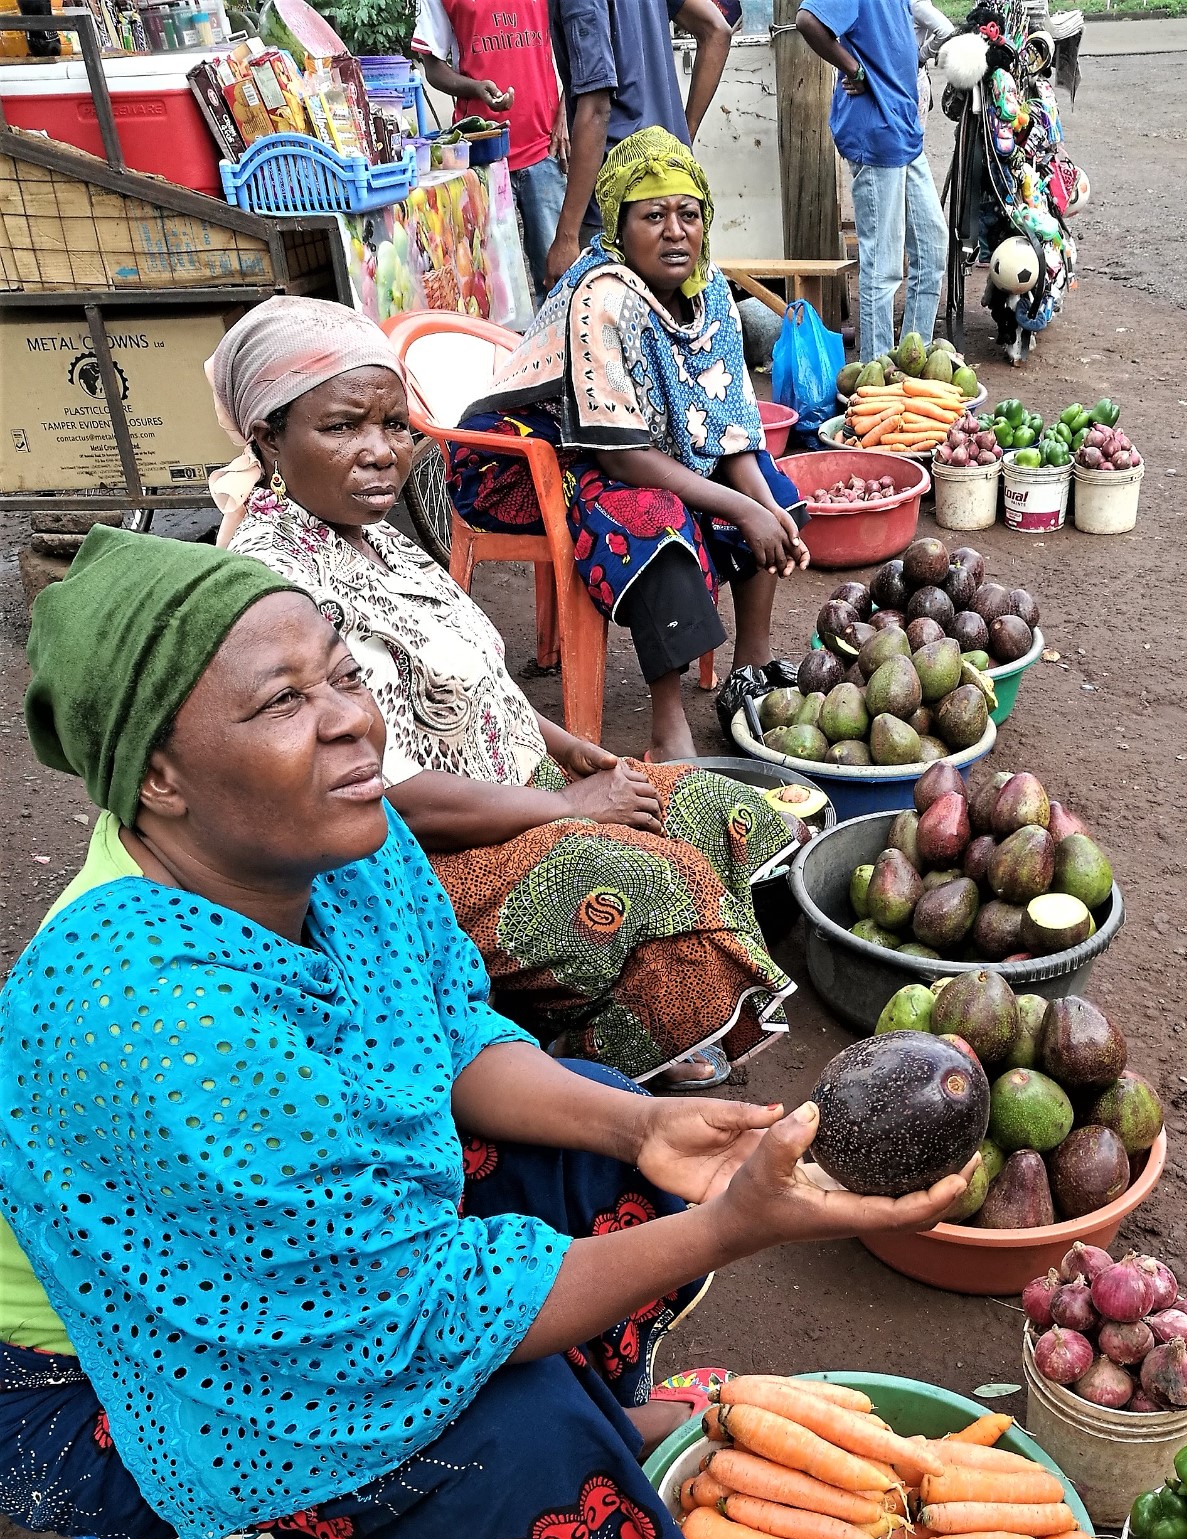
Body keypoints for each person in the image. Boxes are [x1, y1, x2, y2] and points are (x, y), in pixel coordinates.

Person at [0, 528, 972, 1539]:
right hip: (115, 1371)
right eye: (284, 702)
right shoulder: (150, 1020)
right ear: (157, 775)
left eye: (345, 674)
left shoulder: (329, 843)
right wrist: (737, 1229)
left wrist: (636, 1132)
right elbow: (402, 1319)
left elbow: (448, 1029)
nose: (355, 722)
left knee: (619, 1138)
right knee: (518, 1439)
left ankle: (604, 1404)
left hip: (331, 1263)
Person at [206, 295, 797, 1089]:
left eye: (395, 426)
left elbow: (471, 677)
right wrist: (568, 808)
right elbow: (390, 799)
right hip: (421, 862)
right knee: (650, 879)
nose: (381, 452)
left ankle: (626, 1014)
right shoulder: (275, 587)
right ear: (268, 437)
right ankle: (576, 1073)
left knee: (717, 809)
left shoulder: (381, 540)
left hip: (515, 793)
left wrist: (563, 748)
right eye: (344, 427)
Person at [446, 130, 810, 766]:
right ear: (618, 226)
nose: (675, 232)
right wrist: (739, 508)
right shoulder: (602, 294)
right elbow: (617, 458)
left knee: (774, 490)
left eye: (688, 215)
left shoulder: (710, 287)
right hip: (538, 459)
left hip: (641, 447)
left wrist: (760, 505)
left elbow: (728, 424)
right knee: (653, 522)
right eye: (653, 216)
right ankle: (666, 726)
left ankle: (750, 673)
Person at [796, 0, 946, 365]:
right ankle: (878, 379)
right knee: (883, 266)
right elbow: (807, 20)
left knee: (931, 250)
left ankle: (913, 364)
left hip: (905, 133)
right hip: (876, 135)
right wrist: (854, 69)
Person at [544, 0, 733, 290]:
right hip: (675, 188)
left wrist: (567, 235)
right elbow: (717, 30)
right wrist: (680, 141)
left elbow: (596, 107)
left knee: (609, 328)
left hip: (620, 208)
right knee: (675, 326)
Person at [411, 0, 569, 297]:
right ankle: (509, 344)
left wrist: (565, 112)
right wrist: (475, 88)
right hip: (481, 157)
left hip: (544, 148)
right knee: (494, 291)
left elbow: (578, 46)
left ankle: (559, 342)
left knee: (558, 280)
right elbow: (432, 65)